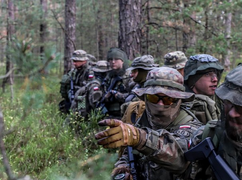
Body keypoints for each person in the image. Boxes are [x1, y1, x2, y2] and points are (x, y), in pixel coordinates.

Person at [95, 67, 203, 180]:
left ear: (180, 100)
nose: (160, 105)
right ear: (145, 98)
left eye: (168, 99)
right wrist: (123, 166)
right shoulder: (142, 119)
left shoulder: (192, 128)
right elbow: (130, 152)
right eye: (153, 97)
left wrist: (139, 138)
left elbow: (179, 157)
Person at [187, 64, 242, 179]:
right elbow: (177, 151)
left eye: (240, 108)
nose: (232, 113)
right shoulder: (211, 134)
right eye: (228, 103)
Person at [59, 49, 101, 119]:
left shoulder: (90, 71)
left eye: (76, 61)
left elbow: (89, 87)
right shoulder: (76, 71)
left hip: (84, 98)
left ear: (84, 61)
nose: (74, 63)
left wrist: (78, 93)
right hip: (77, 97)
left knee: (80, 115)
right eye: (73, 61)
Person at [183, 54, 224, 124]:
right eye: (207, 74)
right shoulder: (180, 103)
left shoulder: (221, 99)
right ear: (193, 79)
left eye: (216, 74)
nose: (215, 79)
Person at [98, 47, 131, 118]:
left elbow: (133, 96)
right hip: (110, 115)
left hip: (125, 114)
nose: (113, 62)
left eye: (116, 59)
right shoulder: (109, 77)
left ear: (122, 61)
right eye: (110, 60)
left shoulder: (129, 76)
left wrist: (116, 94)